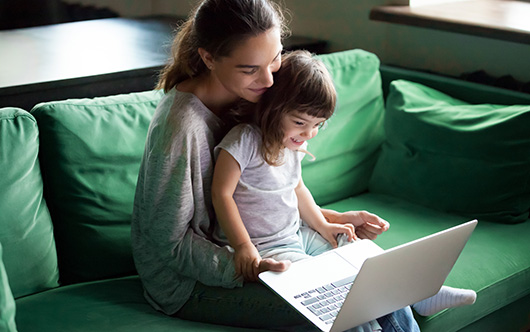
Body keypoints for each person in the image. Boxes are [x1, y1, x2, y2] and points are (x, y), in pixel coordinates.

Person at [130, 0, 421, 331]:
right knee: (348, 314)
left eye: (274, 59)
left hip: (259, 246)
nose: (268, 79)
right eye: (250, 68)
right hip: (188, 283)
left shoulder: (256, 95)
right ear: (208, 58)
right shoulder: (181, 128)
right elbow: (168, 242)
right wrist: (243, 264)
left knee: (381, 288)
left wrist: (331, 219)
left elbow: (266, 191)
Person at [212, 50, 477, 325]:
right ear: (272, 108)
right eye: (300, 123)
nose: (308, 134)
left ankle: (423, 295)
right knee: (329, 288)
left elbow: (298, 189)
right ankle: (369, 325)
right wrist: (243, 246)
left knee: (358, 251)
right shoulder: (244, 139)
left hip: (296, 233)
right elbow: (221, 193)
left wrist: (323, 226)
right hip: (267, 248)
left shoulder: (292, 143)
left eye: (317, 125)